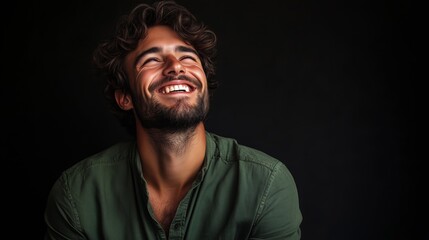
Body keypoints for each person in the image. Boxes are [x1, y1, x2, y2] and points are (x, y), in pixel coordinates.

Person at [43, 1, 302, 239]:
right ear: (125, 97)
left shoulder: (266, 186)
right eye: (152, 59)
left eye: (188, 57)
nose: (176, 66)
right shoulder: (76, 195)